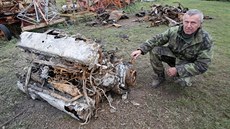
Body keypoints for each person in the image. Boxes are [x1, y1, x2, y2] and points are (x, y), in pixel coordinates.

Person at [131, 9, 213, 87]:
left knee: (182, 83)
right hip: (172, 56)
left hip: (186, 63)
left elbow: (202, 65)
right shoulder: (174, 31)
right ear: (182, 21)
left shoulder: (205, 40)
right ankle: (160, 76)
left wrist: (178, 70)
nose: (188, 26)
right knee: (154, 50)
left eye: (193, 23)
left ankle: (179, 75)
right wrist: (141, 50)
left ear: (200, 24)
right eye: (186, 22)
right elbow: (157, 39)